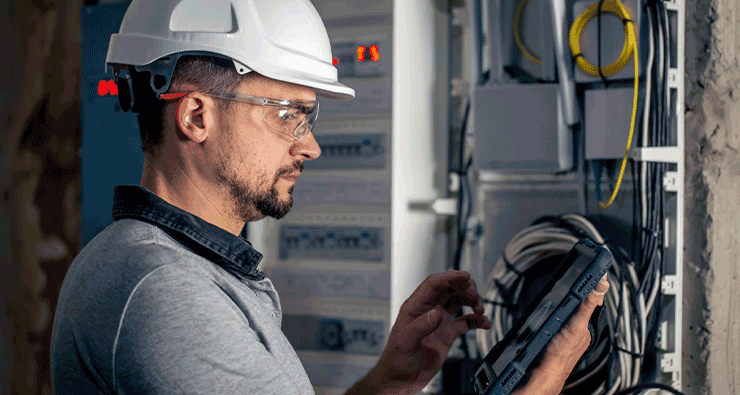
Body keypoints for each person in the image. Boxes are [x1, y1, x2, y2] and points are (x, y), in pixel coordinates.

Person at [51, 1, 609, 394]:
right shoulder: (167, 292)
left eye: (307, 116)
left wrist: (389, 382)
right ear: (197, 115)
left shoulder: (174, 267)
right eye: (288, 115)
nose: (311, 145)